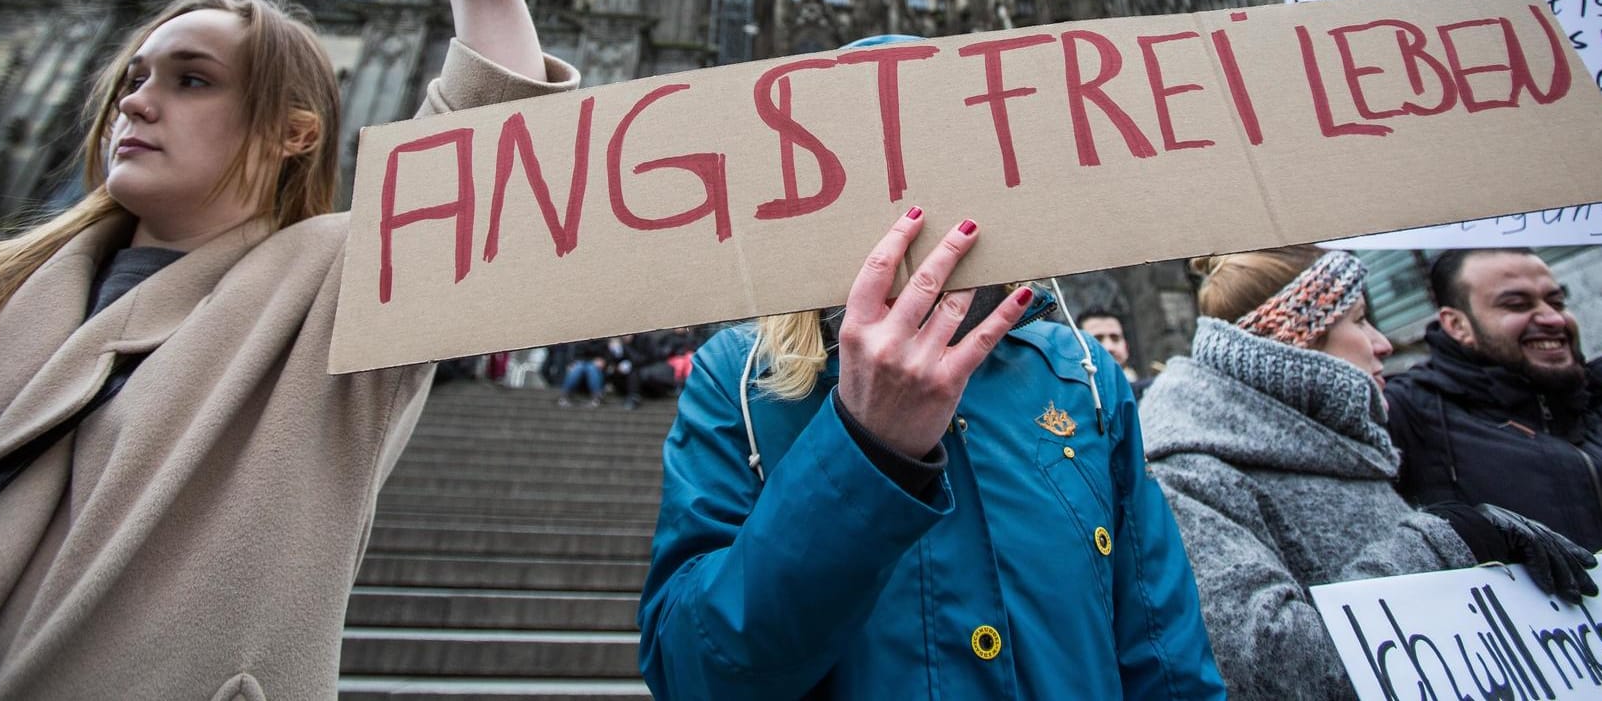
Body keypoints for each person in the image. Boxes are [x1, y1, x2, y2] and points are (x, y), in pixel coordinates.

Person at [0, 0, 578, 698]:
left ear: (294, 133)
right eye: (134, 77)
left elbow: (489, 129)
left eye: (191, 79)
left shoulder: (328, 301)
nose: (138, 101)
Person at [638, 207, 1225, 699]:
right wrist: (866, 447)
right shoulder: (741, 380)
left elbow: (1167, 659)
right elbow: (695, 670)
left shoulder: (1081, 372)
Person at [1140, 248, 1596, 701]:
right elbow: (1268, 668)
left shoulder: (1331, 436)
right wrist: (1443, 542)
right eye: (1359, 320)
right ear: (1299, 336)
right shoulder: (1188, 469)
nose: (1383, 343)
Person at [1386, 248, 1602, 551]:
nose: (1553, 318)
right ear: (1457, 325)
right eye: (1516, 305)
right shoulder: (1405, 413)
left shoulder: (1595, 392)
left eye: (1557, 301)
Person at [1079, 307, 1151, 397]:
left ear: (1126, 346)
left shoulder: (1150, 392)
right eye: (1097, 339)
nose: (1109, 347)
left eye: (1115, 338)